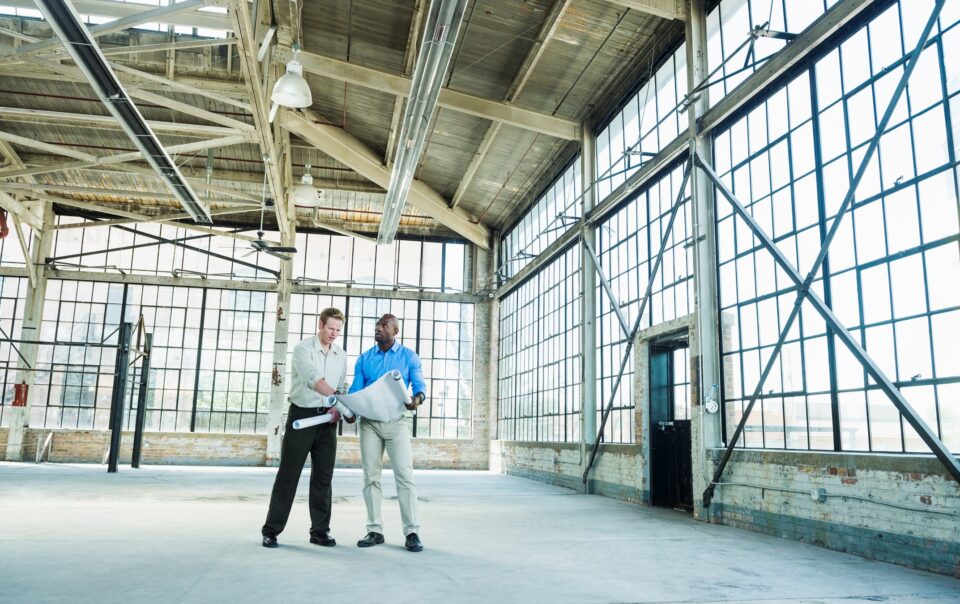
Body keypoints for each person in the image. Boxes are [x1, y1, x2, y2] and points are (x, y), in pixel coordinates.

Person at [261, 307, 353, 549]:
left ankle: (320, 532)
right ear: (320, 325)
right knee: (288, 476)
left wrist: (337, 406)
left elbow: (342, 384)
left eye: (338, 330)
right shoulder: (303, 349)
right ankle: (271, 530)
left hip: (328, 422)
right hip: (302, 417)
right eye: (331, 328)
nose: (334, 333)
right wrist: (339, 400)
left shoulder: (340, 355)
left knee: (323, 478)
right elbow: (314, 381)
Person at [350, 313, 426, 552]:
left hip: (396, 422)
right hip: (369, 423)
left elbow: (420, 386)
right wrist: (349, 408)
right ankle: (374, 530)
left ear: (395, 331)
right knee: (370, 477)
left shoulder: (409, 357)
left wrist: (416, 399)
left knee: (404, 476)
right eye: (377, 325)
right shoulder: (364, 359)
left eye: (384, 325)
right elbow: (355, 389)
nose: (378, 328)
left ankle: (412, 531)